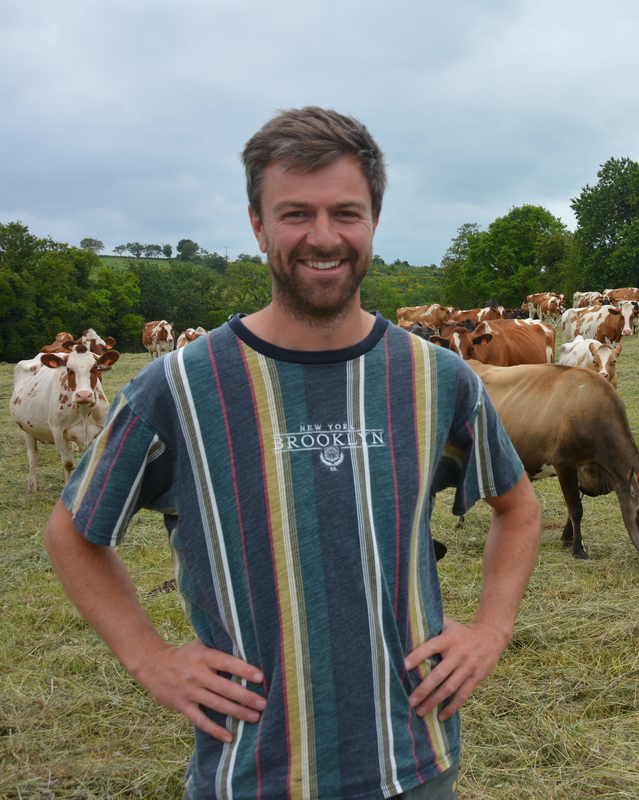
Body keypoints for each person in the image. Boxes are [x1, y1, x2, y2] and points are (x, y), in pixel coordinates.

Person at [44, 107, 541, 800]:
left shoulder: (437, 378)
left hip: (415, 761)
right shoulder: (179, 387)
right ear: (257, 223)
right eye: (295, 213)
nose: (323, 237)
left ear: (373, 221)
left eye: (346, 212)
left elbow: (517, 508)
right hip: (252, 771)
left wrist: (491, 628)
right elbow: (72, 533)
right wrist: (150, 659)